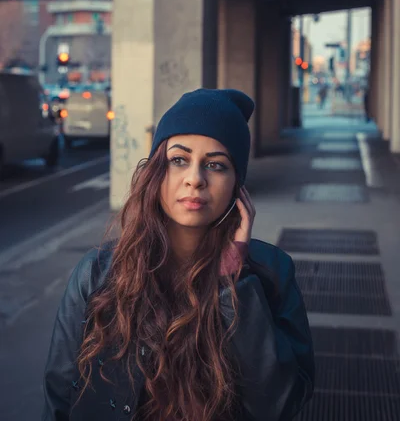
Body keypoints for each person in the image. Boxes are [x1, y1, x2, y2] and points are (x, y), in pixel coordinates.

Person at [42, 88, 314, 421]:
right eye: (179, 160)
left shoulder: (271, 273)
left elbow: (283, 403)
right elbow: (59, 393)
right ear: (156, 171)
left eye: (215, 165)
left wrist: (233, 280)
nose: (195, 180)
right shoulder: (96, 273)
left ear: (237, 185)